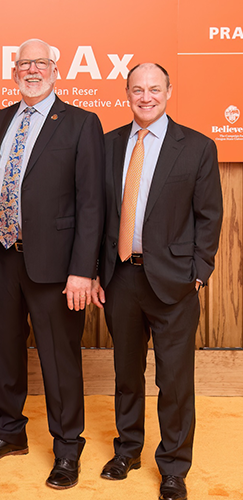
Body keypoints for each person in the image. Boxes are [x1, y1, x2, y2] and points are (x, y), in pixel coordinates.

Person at [0, 38, 105, 489]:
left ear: (55, 69)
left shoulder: (82, 123)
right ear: (14, 71)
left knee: (59, 359)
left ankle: (68, 448)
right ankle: (9, 432)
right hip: (3, 255)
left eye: (40, 63)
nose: (32, 69)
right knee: (6, 351)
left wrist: (82, 270)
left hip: (57, 265)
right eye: (24, 63)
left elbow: (91, 203)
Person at [91, 63, 223, 500]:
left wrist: (199, 274)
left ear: (169, 91)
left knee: (174, 380)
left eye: (153, 89)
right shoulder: (108, 145)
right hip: (121, 277)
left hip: (175, 283)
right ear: (126, 93)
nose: (145, 97)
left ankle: (173, 466)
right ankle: (127, 449)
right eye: (136, 90)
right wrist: (95, 269)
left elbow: (210, 216)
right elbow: (98, 214)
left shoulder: (198, 147)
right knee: (127, 373)